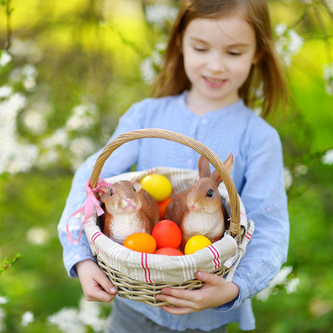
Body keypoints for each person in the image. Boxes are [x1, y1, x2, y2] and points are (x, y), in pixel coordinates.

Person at [58, 0, 290, 331]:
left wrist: (235, 287)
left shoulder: (259, 137)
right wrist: (80, 254)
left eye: (233, 53)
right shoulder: (145, 115)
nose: (215, 66)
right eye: (201, 47)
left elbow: (269, 226)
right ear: (180, 42)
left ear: (257, 53)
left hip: (207, 315)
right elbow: (93, 181)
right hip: (133, 309)